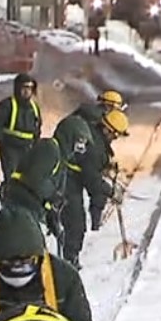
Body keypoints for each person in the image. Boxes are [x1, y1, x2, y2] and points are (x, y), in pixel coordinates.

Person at [51, 108, 127, 266]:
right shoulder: (95, 146)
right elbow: (92, 181)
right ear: (106, 129)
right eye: (114, 135)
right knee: (75, 223)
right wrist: (111, 191)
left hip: (71, 178)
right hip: (66, 180)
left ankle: (70, 257)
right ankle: (69, 261)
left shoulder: (95, 136)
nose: (114, 138)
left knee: (74, 222)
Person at [3, 137, 67, 248]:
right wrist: (52, 196)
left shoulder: (59, 157)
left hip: (27, 204)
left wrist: (50, 212)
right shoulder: (50, 149)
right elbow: (35, 178)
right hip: (23, 203)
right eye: (80, 142)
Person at [0, 74, 42, 180]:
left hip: (28, 149)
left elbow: (37, 129)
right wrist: (3, 145)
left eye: (30, 88)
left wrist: (36, 146)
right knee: (12, 179)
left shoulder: (35, 108)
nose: (27, 91)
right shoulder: (7, 105)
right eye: (24, 87)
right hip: (11, 149)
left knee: (28, 180)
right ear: (17, 88)